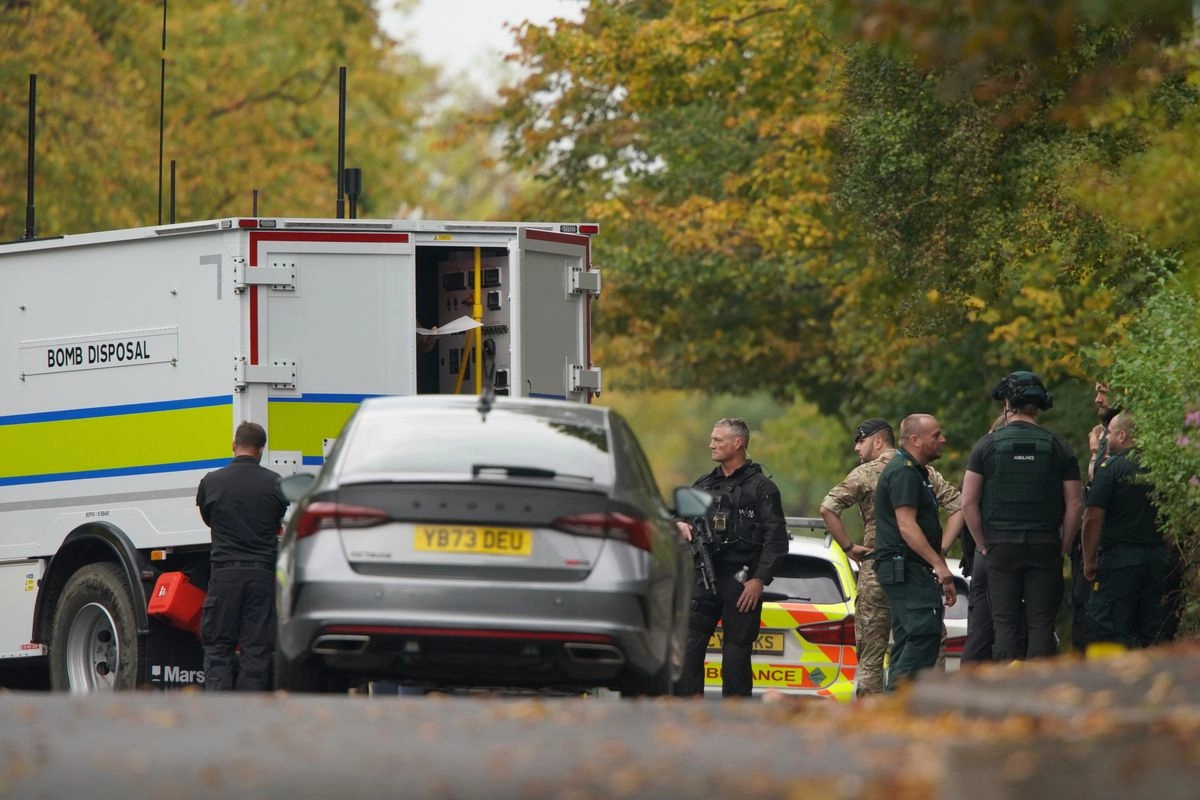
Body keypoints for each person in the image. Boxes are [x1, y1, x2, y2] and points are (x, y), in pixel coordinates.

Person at [820, 418, 962, 695]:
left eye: (860, 442)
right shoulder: (924, 473)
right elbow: (959, 507)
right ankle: (926, 706)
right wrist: (939, 553)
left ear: (877, 441)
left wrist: (849, 548)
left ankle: (872, 716)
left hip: (876, 567)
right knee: (924, 641)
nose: (857, 450)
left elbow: (828, 508)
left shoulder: (865, 473)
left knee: (872, 656)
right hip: (917, 568)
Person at [962, 371, 1082, 661]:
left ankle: (1009, 689)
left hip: (1000, 547)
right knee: (1041, 623)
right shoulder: (1058, 446)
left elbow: (968, 502)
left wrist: (982, 544)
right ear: (1038, 405)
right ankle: (1039, 690)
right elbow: (1075, 504)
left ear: (1007, 403)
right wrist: (1063, 546)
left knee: (1004, 624)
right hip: (1044, 545)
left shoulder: (986, 446)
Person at [676, 417, 789, 698]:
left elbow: (775, 539)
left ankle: (735, 717)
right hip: (703, 574)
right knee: (687, 646)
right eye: (712, 439)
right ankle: (685, 713)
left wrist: (759, 580)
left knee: (736, 652)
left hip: (741, 580)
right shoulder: (704, 483)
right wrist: (679, 523)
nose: (711, 444)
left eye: (718, 440)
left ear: (738, 443)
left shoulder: (761, 488)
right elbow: (681, 516)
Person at [196, 421, 289, 691]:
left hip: (224, 575)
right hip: (261, 576)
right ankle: (248, 714)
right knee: (256, 650)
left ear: (234, 446)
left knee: (217, 649)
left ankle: (219, 713)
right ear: (261, 450)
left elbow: (208, 519)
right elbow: (276, 523)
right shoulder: (276, 484)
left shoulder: (211, 482)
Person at [872, 414, 958, 690]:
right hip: (904, 567)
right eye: (936, 435)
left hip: (909, 567)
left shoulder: (915, 472)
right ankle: (897, 701)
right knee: (924, 635)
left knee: (910, 638)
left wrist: (937, 562)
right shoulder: (903, 472)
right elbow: (907, 526)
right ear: (914, 440)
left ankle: (894, 705)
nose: (942, 440)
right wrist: (940, 566)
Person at [1081, 412, 1170, 649]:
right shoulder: (1160, 468)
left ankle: (1127, 675)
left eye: (1109, 432)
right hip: (1156, 559)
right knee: (1153, 627)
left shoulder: (1110, 469)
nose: (1106, 438)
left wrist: (1088, 560)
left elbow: (1092, 517)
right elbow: (1171, 518)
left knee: (1109, 624)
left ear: (1122, 435)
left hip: (1120, 561)